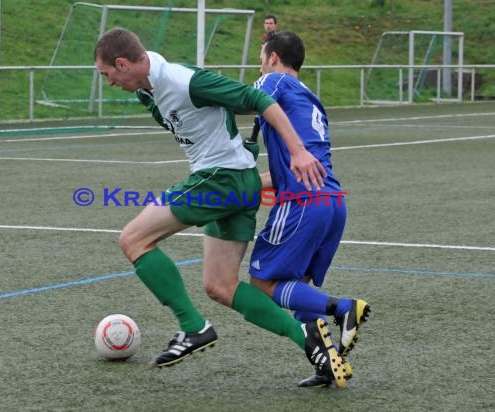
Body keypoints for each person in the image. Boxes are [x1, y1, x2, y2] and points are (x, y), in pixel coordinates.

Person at [94, 27, 349, 387]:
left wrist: (297, 150)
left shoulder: (185, 81)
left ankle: (191, 328)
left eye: (107, 75)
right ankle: (310, 343)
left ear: (122, 63)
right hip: (234, 180)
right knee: (221, 285)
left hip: (219, 180)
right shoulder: (147, 93)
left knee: (133, 239)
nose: (109, 83)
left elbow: (262, 101)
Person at [248, 31, 371, 387]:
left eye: (261, 55)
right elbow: (295, 165)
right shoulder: (312, 100)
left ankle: (345, 308)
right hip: (332, 202)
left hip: (303, 204)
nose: (260, 63)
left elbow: (248, 98)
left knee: (261, 283)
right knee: (298, 286)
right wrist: (249, 184)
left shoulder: (274, 82)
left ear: (273, 58)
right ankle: (327, 364)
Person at [245, 15, 278, 145]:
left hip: (274, 75)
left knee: (266, 104)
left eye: (270, 23)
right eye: (266, 23)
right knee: (263, 104)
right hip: (265, 74)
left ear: (275, 25)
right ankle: (254, 136)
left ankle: (255, 136)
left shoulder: (278, 39)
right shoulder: (265, 39)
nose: (268, 25)